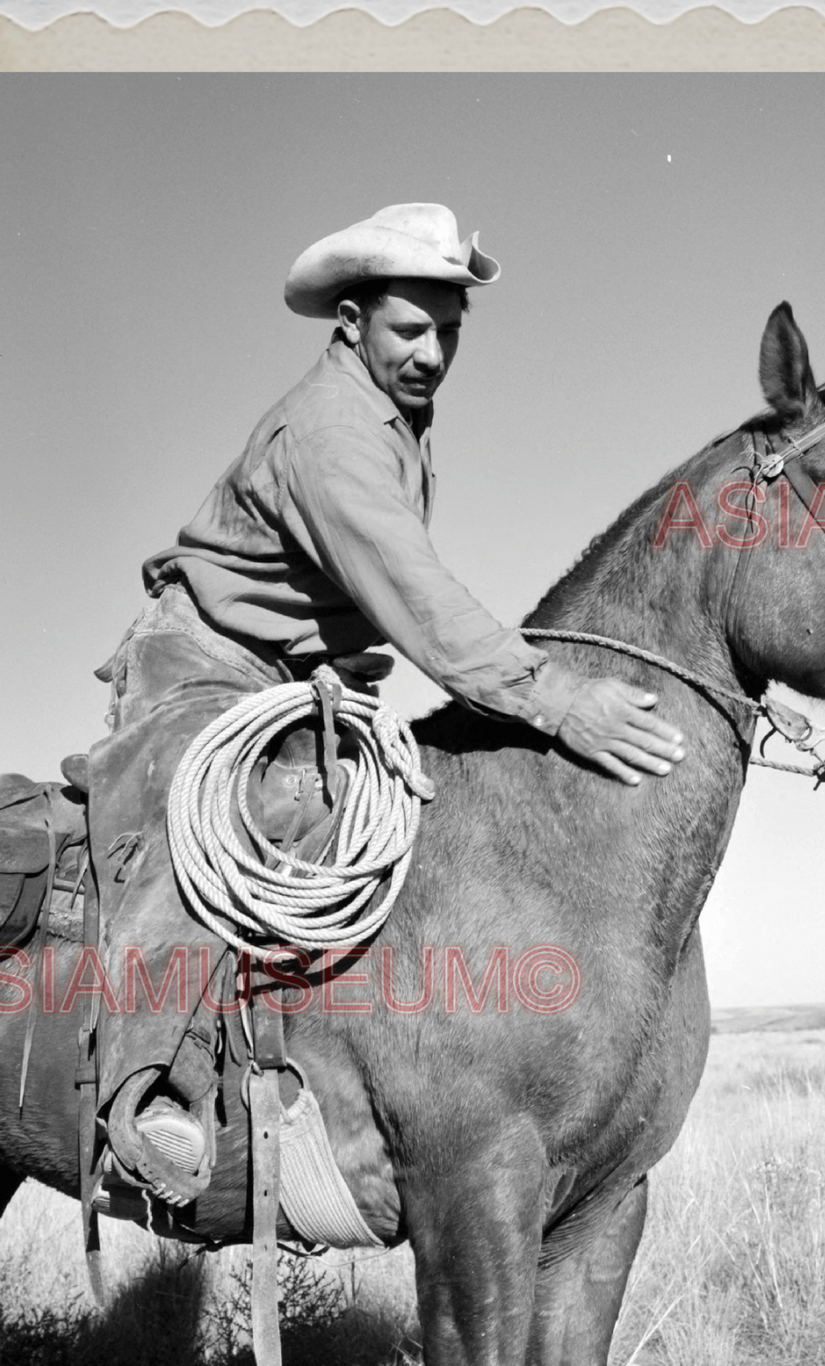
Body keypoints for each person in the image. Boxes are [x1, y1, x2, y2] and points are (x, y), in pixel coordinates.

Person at [86, 203, 685, 1201]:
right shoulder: (329, 432)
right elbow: (418, 600)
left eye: (449, 331)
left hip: (297, 682)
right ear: (350, 321)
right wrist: (555, 699)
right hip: (202, 663)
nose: (433, 352)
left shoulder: (394, 420)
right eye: (411, 328)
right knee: (229, 822)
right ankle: (146, 1095)